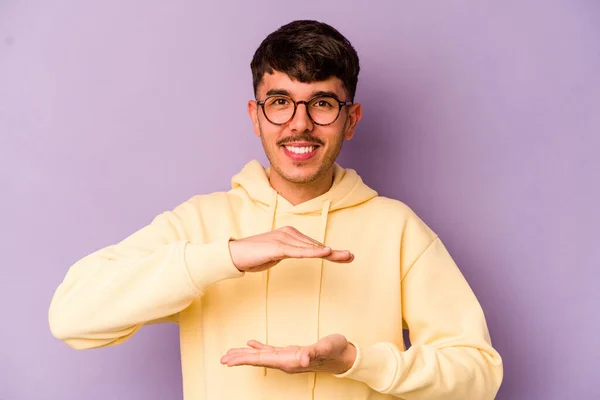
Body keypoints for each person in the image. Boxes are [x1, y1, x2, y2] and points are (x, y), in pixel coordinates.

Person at [49, 20, 503, 400]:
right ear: (255, 115)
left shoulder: (397, 229)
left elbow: (479, 373)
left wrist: (356, 362)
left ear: (351, 119)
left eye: (322, 103)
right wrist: (225, 256)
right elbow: (72, 317)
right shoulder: (200, 223)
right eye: (280, 102)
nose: (300, 123)